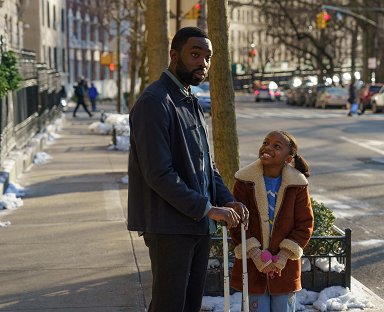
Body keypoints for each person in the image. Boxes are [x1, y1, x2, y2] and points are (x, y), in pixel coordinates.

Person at [126, 27, 249, 312]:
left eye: (207, 57)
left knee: (190, 305)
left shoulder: (190, 100)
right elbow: (158, 174)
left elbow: (207, 165)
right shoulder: (155, 102)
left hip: (196, 224)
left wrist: (225, 199)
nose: (203, 63)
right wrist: (207, 208)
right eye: (195, 54)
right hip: (168, 227)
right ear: (173, 55)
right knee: (170, 306)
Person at [230, 130, 314, 312]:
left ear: (288, 158)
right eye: (266, 142)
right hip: (254, 268)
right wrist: (255, 254)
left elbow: (305, 224)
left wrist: (283, 256)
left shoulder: (297, 185)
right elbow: (237, 222)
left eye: (276, 146)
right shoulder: (244, 181)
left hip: (284, 269)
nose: (267, 147)